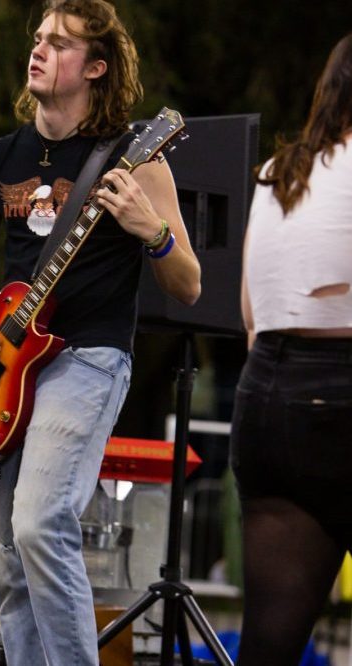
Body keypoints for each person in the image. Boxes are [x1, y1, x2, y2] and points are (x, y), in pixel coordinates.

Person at [0, 1, 200, 663]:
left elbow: (189, 283)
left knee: (38, 521)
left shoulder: (136, 160)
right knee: (3, 552)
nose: (40, 48)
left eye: (60, 42)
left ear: (96, 67)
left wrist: (153, 231)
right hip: (2, 368)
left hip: (86, 358)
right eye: (38, 38)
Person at [230, 33, 352, 666]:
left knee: (268, 647)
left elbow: (251, 313)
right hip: (338, 393)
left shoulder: (279, 173)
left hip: (266, 399)